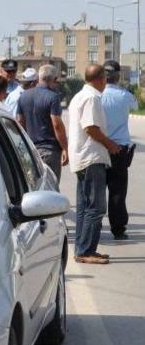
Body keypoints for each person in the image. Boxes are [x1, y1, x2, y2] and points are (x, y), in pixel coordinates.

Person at [68, 64, 121, 264]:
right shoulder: (92, 98)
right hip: (91, 158)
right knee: (96, 207)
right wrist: (110, 144)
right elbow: (90, 127)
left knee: (85, 207)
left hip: (82, 158)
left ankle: (83, 249)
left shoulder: (79, 96)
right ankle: (86, 251)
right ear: (101, 79)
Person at [100, 60, 138, 240]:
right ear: (118, 76)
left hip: (99, 146)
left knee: (97, 189)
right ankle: (118, 229)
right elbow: (136, 106)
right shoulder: (125, 95)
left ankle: (94, 225)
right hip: (119, 150)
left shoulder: (96, 95)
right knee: (118, 191)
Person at [17, 64, 68, 180]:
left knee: (34, 186)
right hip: (49, 151)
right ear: (54, 79)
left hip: (31, 150)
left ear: (39, 78)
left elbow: (20, 122)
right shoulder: (53, 97)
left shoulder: (23, 96)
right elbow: (57, 125)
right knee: (50, 186)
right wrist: (65, 148)